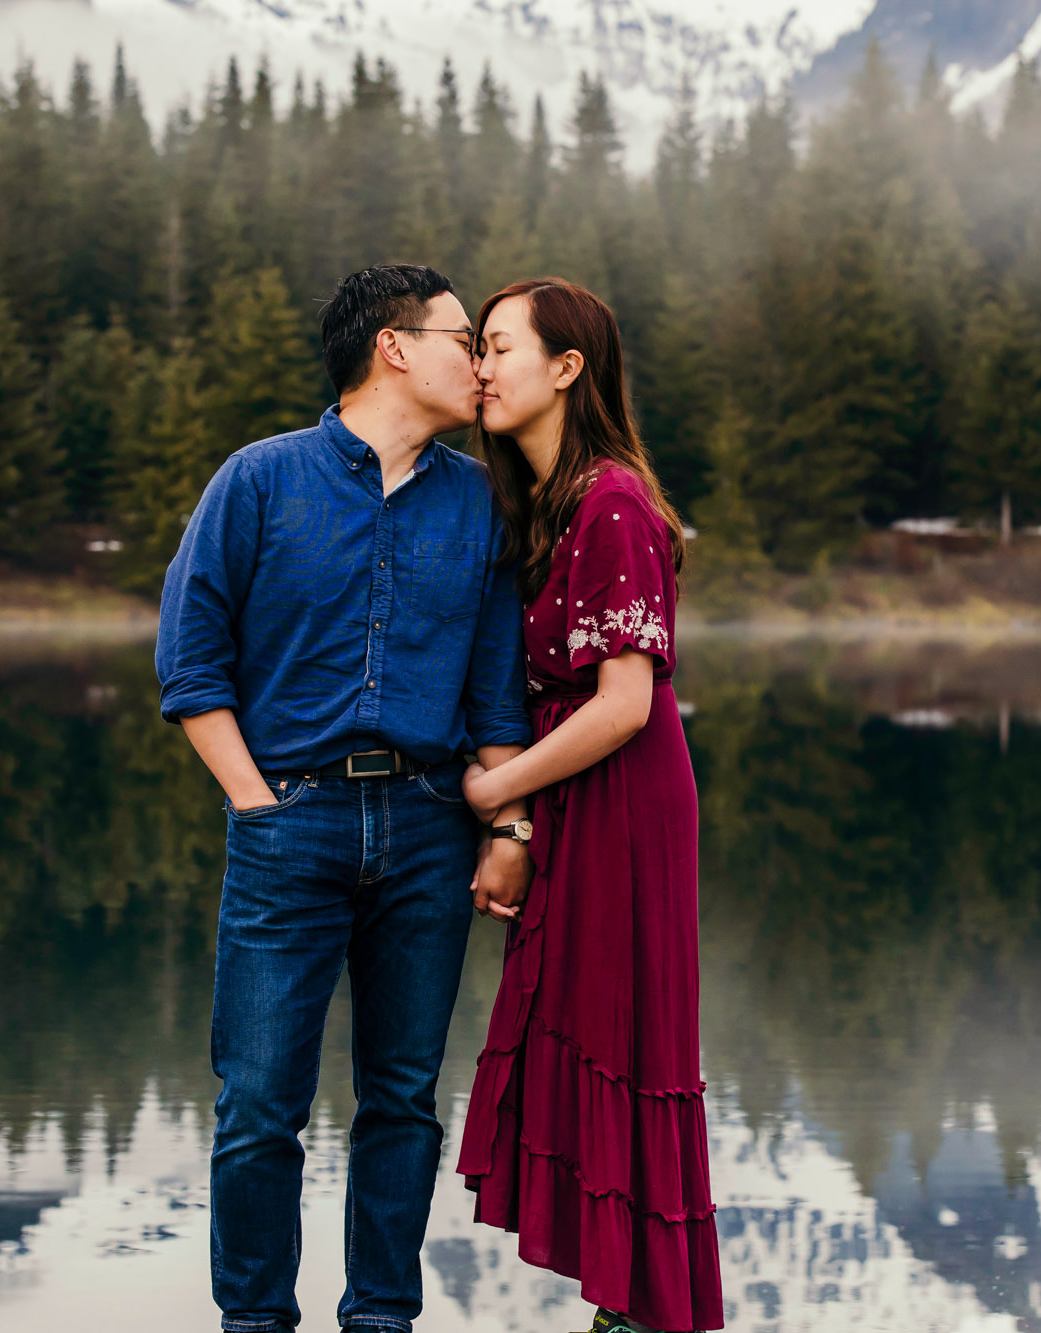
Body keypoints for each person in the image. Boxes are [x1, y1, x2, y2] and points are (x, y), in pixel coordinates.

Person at [155, 263, 536, 1333]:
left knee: (403, 1102)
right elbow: (189, 666)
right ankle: (254, 1323)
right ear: (393, 347)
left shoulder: (480, 502)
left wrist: (507, 825)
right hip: (290, 824)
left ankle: (381, 1320)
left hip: (427, 828)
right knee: (258, 1108)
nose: (480, 361)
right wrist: (256, 804)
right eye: (465, 338)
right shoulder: (259, 480)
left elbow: (494, 691)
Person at [455, 278, 724, 1333]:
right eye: (471, 346)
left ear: (566, 368)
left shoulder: (609, 501)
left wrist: (492, 791)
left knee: (623, 1035)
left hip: (619, 796)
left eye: (498, 346)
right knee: (577, 1026)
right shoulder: (542, 504)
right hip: (575, 797)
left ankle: (647, 1310)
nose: (479, 366)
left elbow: (622, 704)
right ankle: (628, 1302)